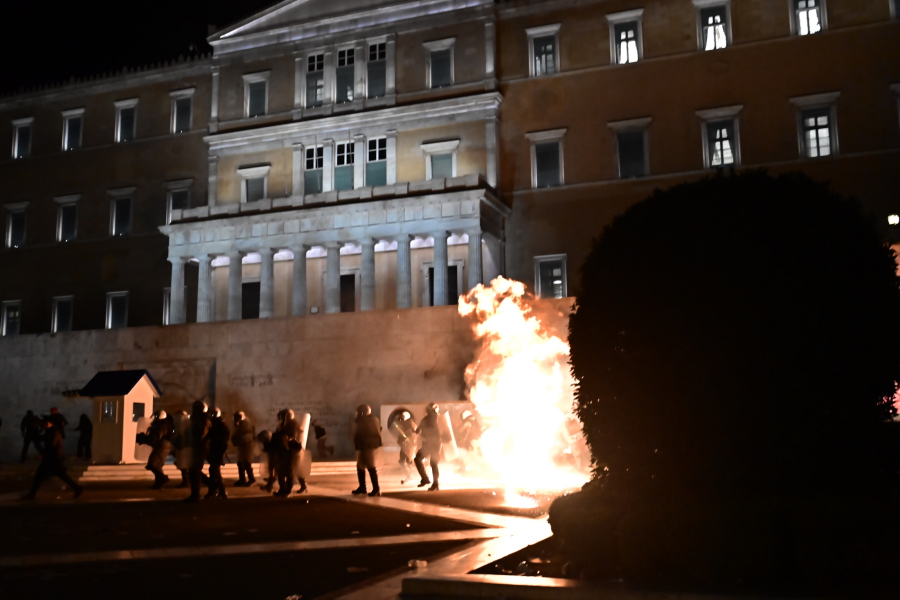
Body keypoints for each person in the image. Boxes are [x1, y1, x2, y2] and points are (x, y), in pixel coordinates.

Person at [23, 416, 84, 500]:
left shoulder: (53, 432)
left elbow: (51, 445)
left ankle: (32, 494)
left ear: (50, 423)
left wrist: (42, 453)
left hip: (52, 457)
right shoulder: (51, 431)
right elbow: (47, 441)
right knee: (60, 475)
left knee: (40, 476)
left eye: (45, 423)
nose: (43, 425)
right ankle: (77, 488)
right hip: (52, 457)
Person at [352, 404, 383, 497]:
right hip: (364, 445)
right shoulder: (369, 420)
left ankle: (376, 489)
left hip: (368, 446)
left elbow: (372, 433)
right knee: (360, 466)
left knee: (370, 466)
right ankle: (362, 487)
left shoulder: (371, 420)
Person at [275, 409, 307, 497]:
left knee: (290, 471)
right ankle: (284, 489)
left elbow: (288, 436)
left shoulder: (291, 424)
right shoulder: (286, 424)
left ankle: (287, 490)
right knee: (284, 471)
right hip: (286, 450)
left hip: (290, 450)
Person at [184, 401, 211, 503]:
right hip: (197, 447)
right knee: (194, 471)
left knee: (194, 471)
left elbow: (201, 435)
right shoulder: (197, 419)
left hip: (200, 448)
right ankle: (210, 486)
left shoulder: (204, 420)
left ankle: (196, 494)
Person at [414, 403, 442, 492]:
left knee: (418, 459)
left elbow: (417, 431)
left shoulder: (425, 419)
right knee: (434, 464)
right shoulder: (439, 419)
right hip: (436, 444)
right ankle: (435, 483)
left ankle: (425, 479)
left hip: (428, 445)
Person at [205, 408, 230, 499]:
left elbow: (223, 439)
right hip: (216, 450)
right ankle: (218, 491)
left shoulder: (220, 425)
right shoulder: (217, 424)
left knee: (215, 471)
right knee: (214, 471)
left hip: (217, 450)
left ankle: (220, 491)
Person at [145, 411, 173, 489]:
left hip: (162, 446)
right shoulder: (162, 424)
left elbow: (157, 436)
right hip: (162, 445)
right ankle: (158, 483)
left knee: (152, 464)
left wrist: (147, 439)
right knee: (158, 466)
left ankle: (163, 478)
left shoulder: (161, 425)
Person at [231, 411, 256, 487]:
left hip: (247, 445)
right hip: (243, 445)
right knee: (241, 462)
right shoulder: (242, 423)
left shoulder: (245, 423)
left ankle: (251, 479)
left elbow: (244, 434)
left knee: (246, 462)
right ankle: (242, 479)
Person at [392, 411, 417, 485]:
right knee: (403, 461)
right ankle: (409, 475)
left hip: (409, 446)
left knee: (408, 461)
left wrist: (404, 440)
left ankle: (410, 475)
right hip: (405, 446)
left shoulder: (410, 425)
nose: (401, 419)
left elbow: (412, 436)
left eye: (402, 418)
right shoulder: (405, 424)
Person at [173, 410, 191, 488]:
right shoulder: (181, 424)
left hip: (184, 447)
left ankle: (186, 482)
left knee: (185, 466)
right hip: (181, 446)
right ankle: (186, 481)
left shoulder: (186, 425)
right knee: (183, 466)